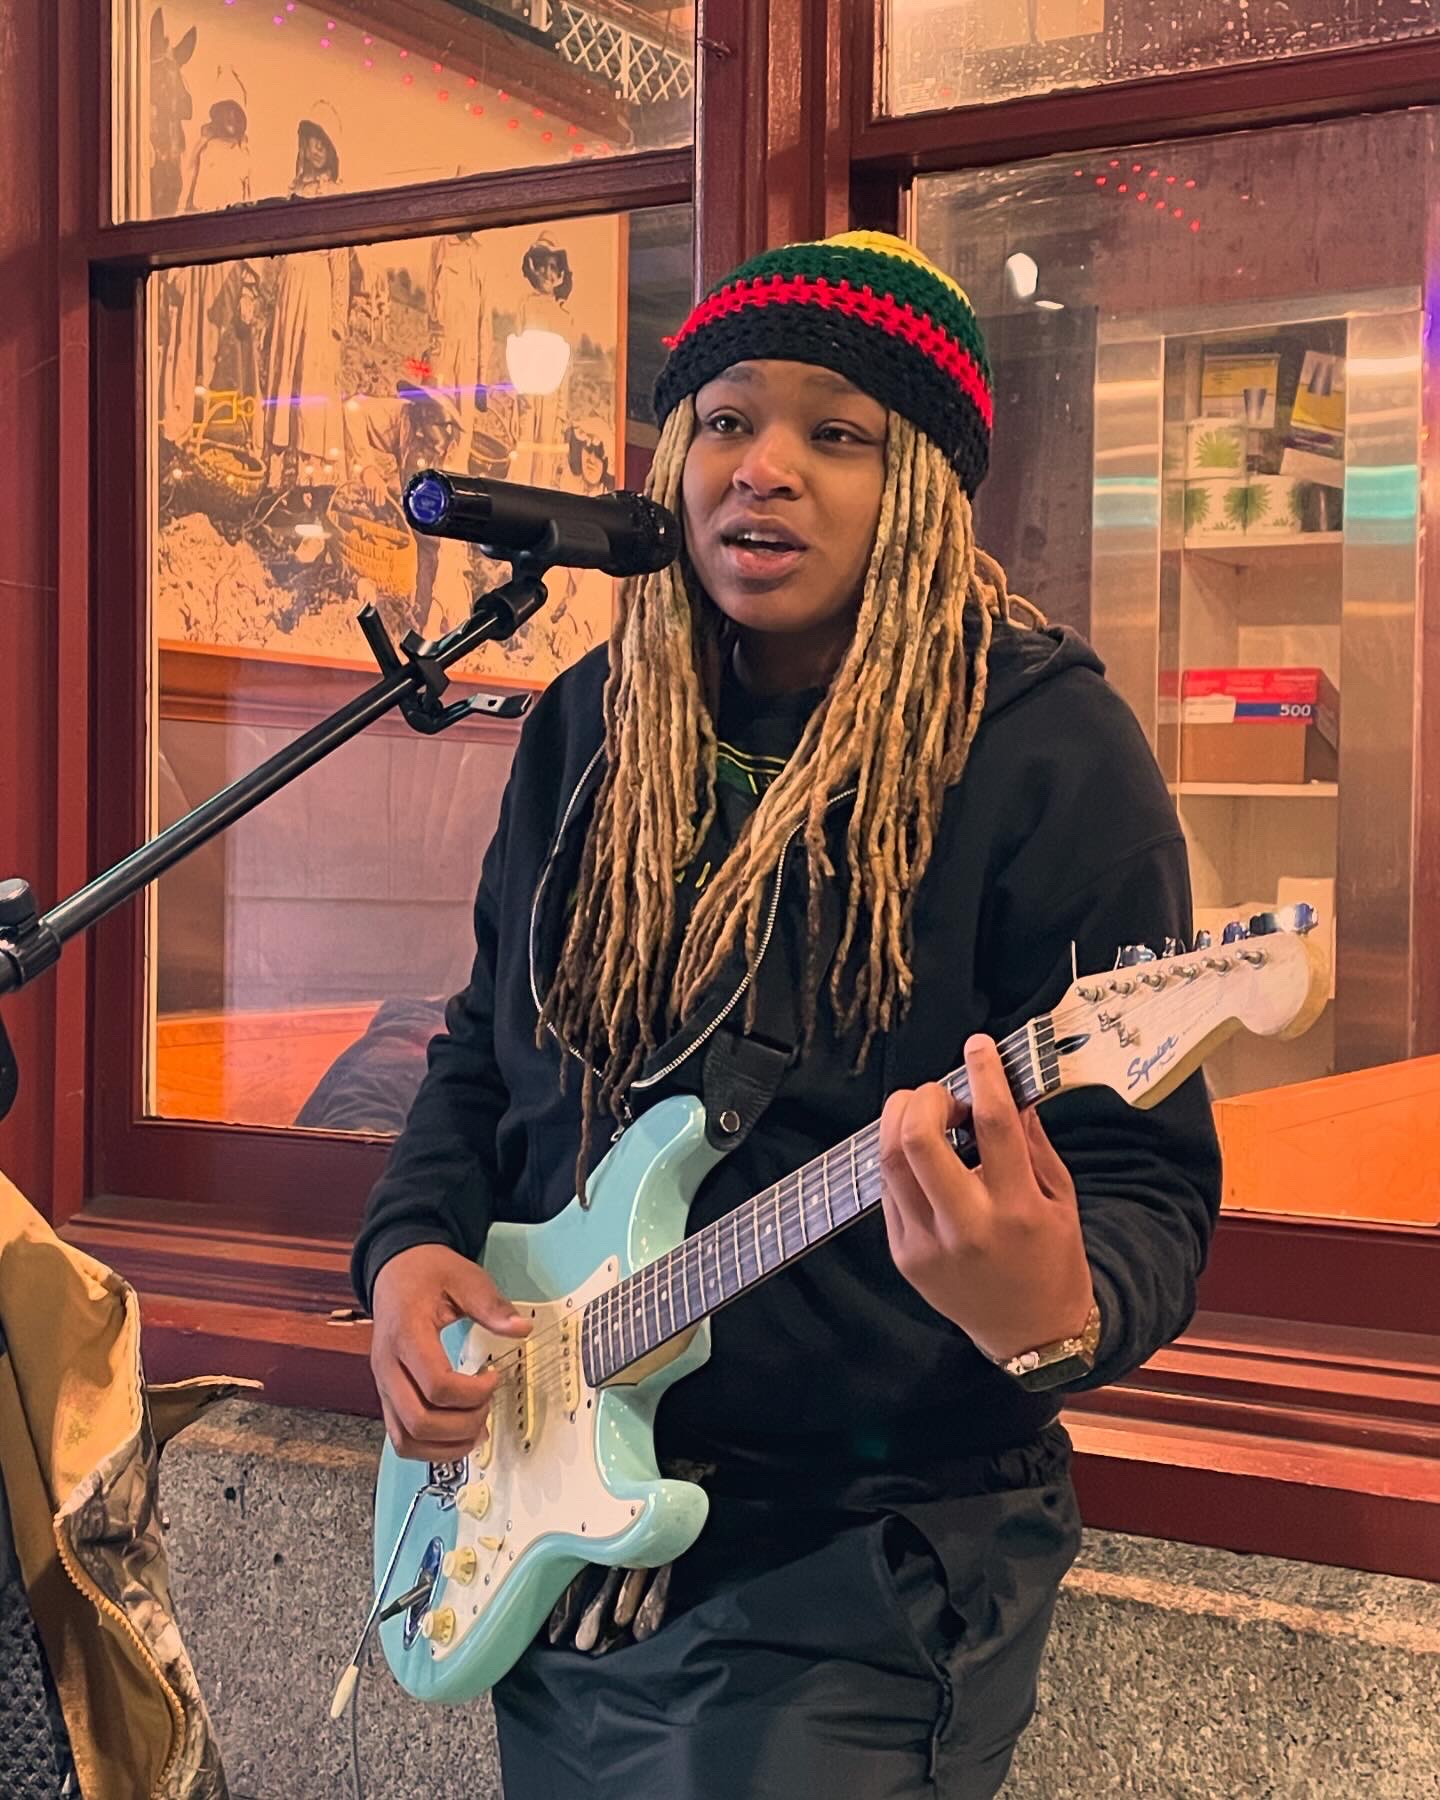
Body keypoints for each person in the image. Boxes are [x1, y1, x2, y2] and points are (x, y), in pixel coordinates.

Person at [352, 231, 1221, 1798]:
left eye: (840, 435)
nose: (767, 470)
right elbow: (487, 1050)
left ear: (927, 495)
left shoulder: (1049, 757)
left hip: (863, 1569)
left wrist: (1054, 1312)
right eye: (730, 421)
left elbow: (1150, 1190)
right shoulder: (590, 727)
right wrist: (411, 1249)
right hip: (557, 1520)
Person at [264, 107, 348, 485]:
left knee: (311, 378)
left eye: (323, 142)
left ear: (331, 151)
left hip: (317, 287)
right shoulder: (291, 193)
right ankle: (275, 468)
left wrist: (337, 319)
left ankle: (308, 479)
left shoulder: (335, 196)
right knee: (284, 368)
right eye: (310, 139)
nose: (315, 148)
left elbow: (341, 262)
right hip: (288, 287)